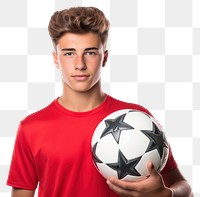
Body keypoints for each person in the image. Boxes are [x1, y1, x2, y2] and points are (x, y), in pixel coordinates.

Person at [7, 6, 193, 197]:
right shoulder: (32, 128)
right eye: (69, 53)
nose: (80, 64)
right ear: (56, 58)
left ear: (104, 57)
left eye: (90, 52)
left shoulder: (137, 119)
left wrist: (166, 194)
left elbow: (184, 188)